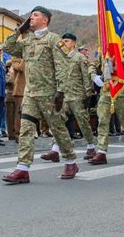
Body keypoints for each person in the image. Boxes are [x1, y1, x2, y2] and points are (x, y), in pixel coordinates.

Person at [1, 6, 79, 183]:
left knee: (57, 129)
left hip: (49, 94)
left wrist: (61, 92)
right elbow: (8, 47)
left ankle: (70, 161)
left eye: (35, 15)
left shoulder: (54, 40)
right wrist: (19, 31)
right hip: (30, 93)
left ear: (45, 20)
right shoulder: (27, 40)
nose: (31, 18)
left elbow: (63, 66)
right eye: (31, 15)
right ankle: (22, 168)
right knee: (26, 129)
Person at [41, 33, 96, 161]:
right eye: (63, 41)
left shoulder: (80, 58)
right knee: (58, 122)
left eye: (67, 41)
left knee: (83, 123)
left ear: (73, 43)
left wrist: (88, 95)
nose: (64, 43)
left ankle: (91, 146)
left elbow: (86, 78)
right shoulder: (59, 58)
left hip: (77, 96)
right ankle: (55, 150)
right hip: (63, 96)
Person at [88, 46, 124, 165]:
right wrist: (94, 76)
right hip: (106, 91)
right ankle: (101, 152)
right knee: (103, 121)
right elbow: (93, 64)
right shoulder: (102, 49)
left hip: (122, 91)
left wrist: (121, 61)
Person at [11, 57, 26, 140]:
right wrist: (24, 58)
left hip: (28, 89)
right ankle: (17, 134)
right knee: (19, 113)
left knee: (27, 113)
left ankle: (25, 133)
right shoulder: (15, 59)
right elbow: (21, 68)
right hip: (19, 90)